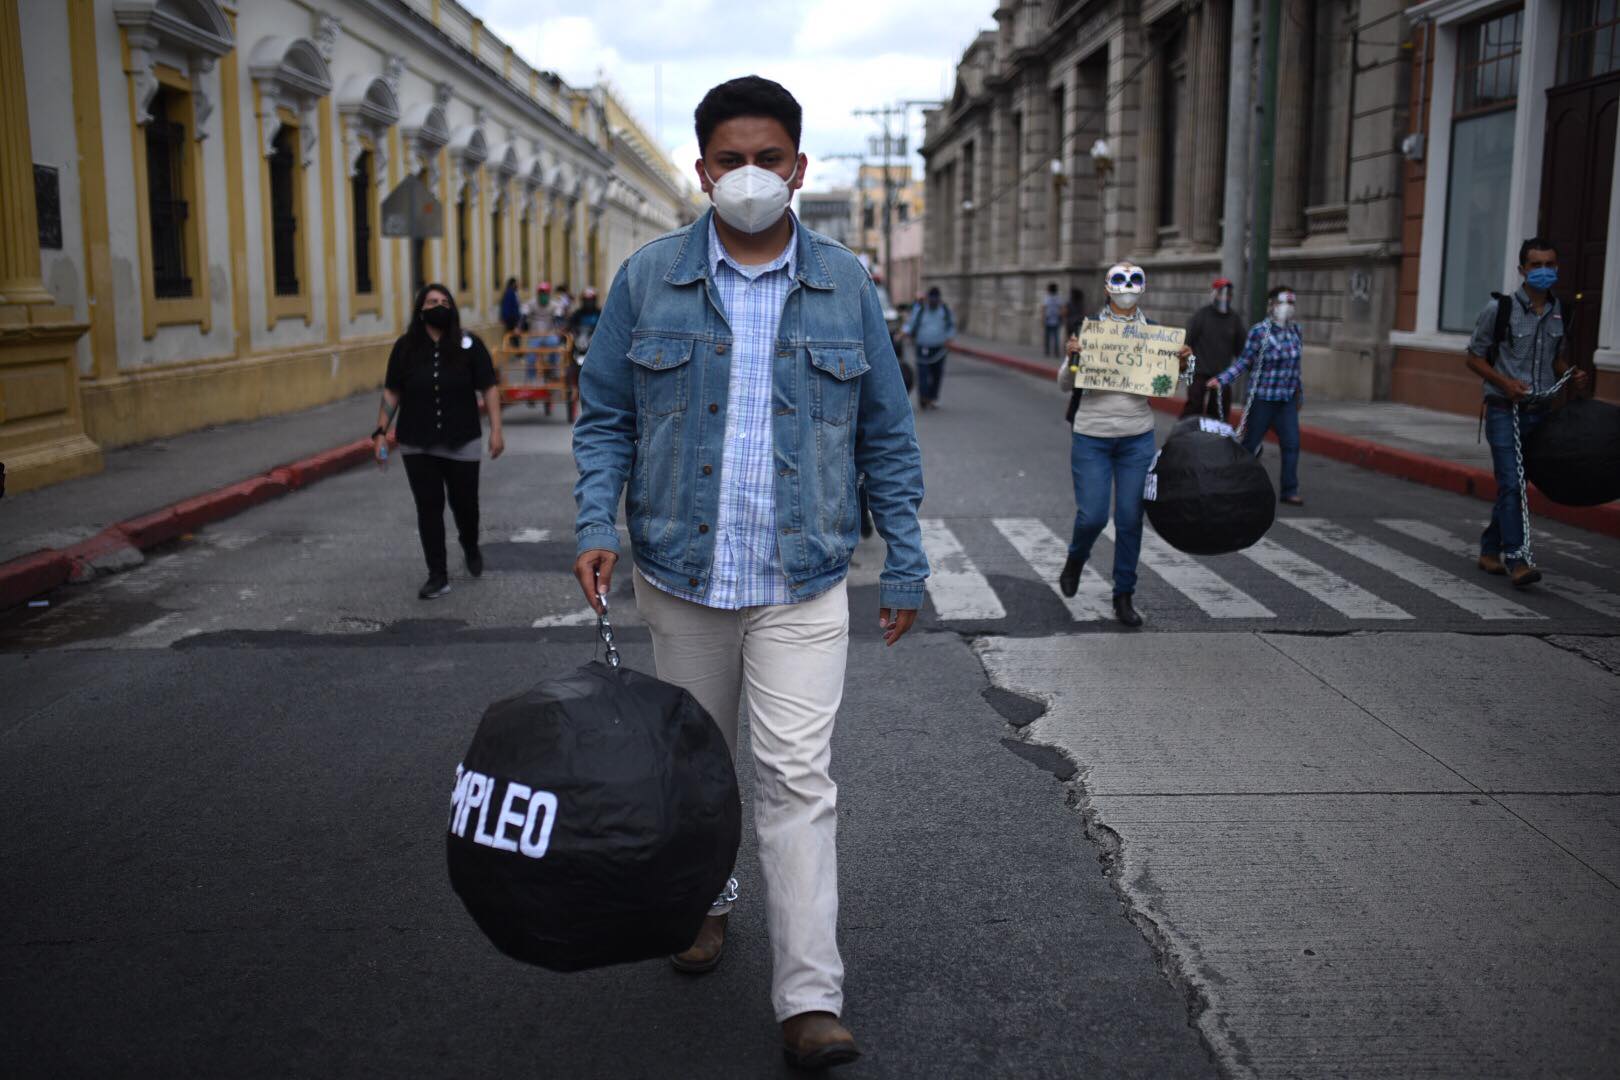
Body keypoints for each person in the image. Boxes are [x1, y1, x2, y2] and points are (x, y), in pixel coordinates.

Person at [571, 75, 926, 1071]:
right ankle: (707, 901)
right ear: (702, 170)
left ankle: (809, 998)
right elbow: (605, 417)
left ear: (800, 169)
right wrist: (597, 520)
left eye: (769, 158)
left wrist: (905, 559)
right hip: (682, 579)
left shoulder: (848, 285)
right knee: (696, 769)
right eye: (731, 159)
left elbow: (888, 437)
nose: (751, 176)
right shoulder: (649, 279)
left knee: (797, 778)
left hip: (804, 580)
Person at [1057, 262, 1190, 628]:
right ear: (1107, 287)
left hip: (1137, 437)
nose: (1126, 287)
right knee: (1093, 516)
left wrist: (1182, 363)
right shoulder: (1089, 330)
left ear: (1143, 288)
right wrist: (1073, 359)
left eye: (1134, 281)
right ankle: (1076, 558)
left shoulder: (1155, 334)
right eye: (1119, 280)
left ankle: (1124, 594)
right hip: (1092, 435)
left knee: (1131, 519)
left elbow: (1168, 387)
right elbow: (1065, 384)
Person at [1462, 237, 1588, 587]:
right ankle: (1518, 559)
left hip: (1542, 411)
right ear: (1522, 270)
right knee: (1513, 484)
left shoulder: (1560, 310)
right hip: (1505, 410)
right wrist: (1504, 383)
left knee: (1514, 486)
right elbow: (1473, 357)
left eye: (1550, 264)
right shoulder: (1499, 310)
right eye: (1536, 265)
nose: (1544, 271)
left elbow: (1556, 358)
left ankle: (1490, 548)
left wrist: (1571, 375)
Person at [374, 283, 505, 599]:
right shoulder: (405, 347)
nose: (439, 305)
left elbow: (488, 387)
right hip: (417, 440)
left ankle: (470, 543)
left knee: (465, 505)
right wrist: (380, 431)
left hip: (462, 439)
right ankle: (437, 574)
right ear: (420, 309)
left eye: (445, 301)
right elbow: (393, 390)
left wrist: (497, 430)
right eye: (432, 301)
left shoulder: (469, 344)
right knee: (428, 508)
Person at [1209, 285, 1306, 507]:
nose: (1287, 308)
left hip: (1286, 399)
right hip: (1263, 398)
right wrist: (1222, 380)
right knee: (1251, 444)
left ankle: (1290, 490)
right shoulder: (1259, 331)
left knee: (1292, 444)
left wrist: (1300, 395)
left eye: (1291, 303)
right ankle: (1237, 483)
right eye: (1283, 302)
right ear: (1271, 305)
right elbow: (1244, 361)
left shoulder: (1296, 331)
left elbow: (1296, 367)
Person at [1182, 277, 1247, 422]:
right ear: (1214, 294)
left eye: (1228, 294)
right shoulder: (1201, 315)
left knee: (1219, 411)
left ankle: (1215, 439)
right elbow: (1188, 341)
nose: (1224, 297)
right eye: (1221, 293)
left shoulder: (1234, 319)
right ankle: (1184, 435)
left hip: (1222, 374)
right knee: (1194, 406)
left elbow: (1241, 349)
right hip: (1199, 371)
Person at [902, 286, 955, 409]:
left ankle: (932, 397)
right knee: (923, 373)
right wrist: (903, 333)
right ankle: (924, 398)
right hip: (923, 347)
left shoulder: (945, 311)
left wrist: (949, 338)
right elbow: (911, 324)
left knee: (937, 374)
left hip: (939, 349)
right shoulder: (920, 310)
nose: (933, 302)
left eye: (935, 299)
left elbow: (950, 326)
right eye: (931, 299)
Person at [566, 286, 602, 357]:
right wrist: (573, 331)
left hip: (594, 340)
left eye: (591, 300)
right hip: (580, 339)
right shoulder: (578, 313)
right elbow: (571, 324)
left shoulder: (599, 313)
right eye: (586, 300)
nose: (589, 303)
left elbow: (604, 326)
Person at [1041, 281, 1064, 358]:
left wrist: (1043, 318)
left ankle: (1047, 351)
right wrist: (1061, 317)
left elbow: (1044, 308)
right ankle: (1056, 351)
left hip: (1048, 319)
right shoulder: (1058, 298)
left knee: (1047, 337)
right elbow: (1061, 309)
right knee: (1056, 336)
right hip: (1056, 319)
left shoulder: (1047, 298)